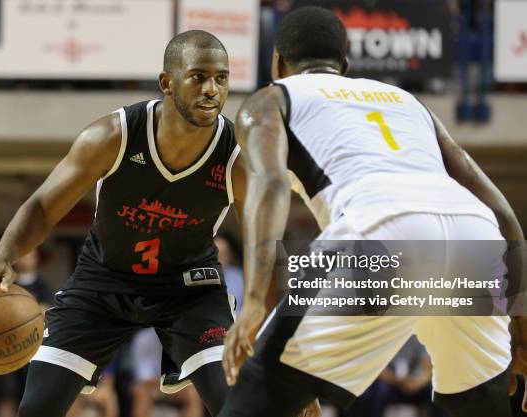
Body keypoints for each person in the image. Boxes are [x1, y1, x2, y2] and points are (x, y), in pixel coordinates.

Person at [220, 7, 526, 417]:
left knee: (253, 402)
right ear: (344, 66)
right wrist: (522, 327)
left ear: (277, 63)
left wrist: (256, 299)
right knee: (481, 408)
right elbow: (503, 213)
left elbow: (271, 184)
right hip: (475, 235)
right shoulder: (408, 102)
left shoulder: (270, 99)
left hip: (381, 231)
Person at [0, 30, 245, 417]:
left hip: (191, 287)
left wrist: (281, 352)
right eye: (198, 76)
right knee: (37, 407)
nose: (211, 89)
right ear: (167, 83)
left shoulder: (239, 155)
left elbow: (267, 244)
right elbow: (42, 206)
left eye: (221, 78)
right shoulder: (112, 136)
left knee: (242, 404)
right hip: (104, 279)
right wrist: (3, 255)